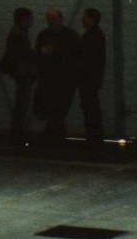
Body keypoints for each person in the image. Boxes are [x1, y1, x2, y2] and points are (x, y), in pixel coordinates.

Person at [35, 9, 80, 144]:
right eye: (50, 19)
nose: (52, 21)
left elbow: (76, 57)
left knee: (57, 109)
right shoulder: (50, 35)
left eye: (54, 18)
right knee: (56, 109)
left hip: (64, 78)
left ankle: (54, 136)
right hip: (52, 78)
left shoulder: (67, 35)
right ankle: (56, 136)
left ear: (60, 19)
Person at [0, 7, 37, 145]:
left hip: (21, 73)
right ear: (24, 19)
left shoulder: (18, 33)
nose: (32, 20)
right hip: (23, 73)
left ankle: (17, 134)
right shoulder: (19, 35)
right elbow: (24, 54)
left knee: (21, 104)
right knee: (22, 104)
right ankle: (17, 135)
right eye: (30, 18)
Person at [78, 8, 106, 149]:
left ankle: (93, 138)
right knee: (91, 107)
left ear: (91, 19)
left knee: (90, 107)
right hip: (91, 78)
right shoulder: (96, 35)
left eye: (85, 17)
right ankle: (94, 138)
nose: (82, 19)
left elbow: (87, 59)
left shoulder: (91, 36)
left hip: (88, 78)